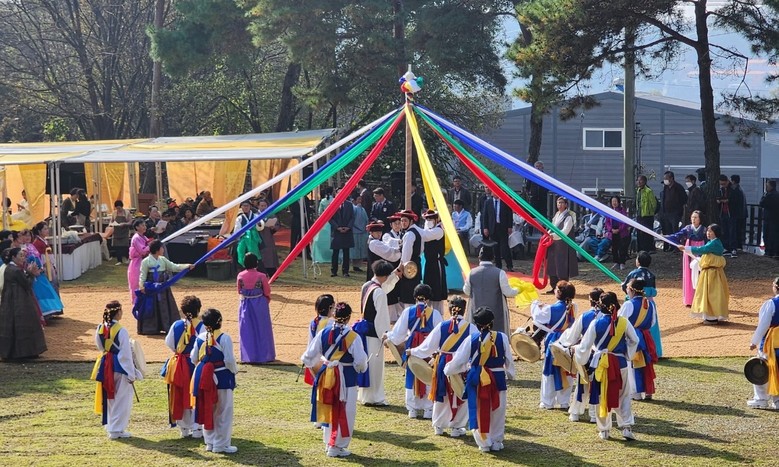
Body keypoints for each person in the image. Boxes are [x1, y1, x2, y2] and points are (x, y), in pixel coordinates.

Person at [444, 306, 516, 452]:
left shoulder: (471, 339)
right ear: (492, 322)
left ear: (476, 324)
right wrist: (510, 374)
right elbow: (509, 360)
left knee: (477, 408)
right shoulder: (502, 337)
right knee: (498, 409)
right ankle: (496, 441)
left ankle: (483, 442)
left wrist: (448, 370)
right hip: (497, 377)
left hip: (476, 377)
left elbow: (459, 361)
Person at [301, 302, 368, 458]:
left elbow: (308, 357)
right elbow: (361, 362)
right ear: (348, 317)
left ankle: (329, 442)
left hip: (327, 376)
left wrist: (320, 368)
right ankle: (336, 445)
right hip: (347, 378)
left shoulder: (323, 333)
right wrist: (360, 369)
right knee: (346, 410)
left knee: (329, 407)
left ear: (334, 315)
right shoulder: (353, 337)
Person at [574, 292, 639, 441]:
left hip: (601, 364)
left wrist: (579, 356)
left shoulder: (595, 323)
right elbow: (634, 340)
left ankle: (604, 430)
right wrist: (627, 354)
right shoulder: (623, 322)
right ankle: (626, 426)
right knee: (623, 396)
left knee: (601, 395)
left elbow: (585, 346)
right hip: (620, 363)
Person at [410, 296, 478, 437]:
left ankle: (438, 426)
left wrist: (412, 351)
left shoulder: (442, 326)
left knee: (442, 393)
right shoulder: (471, 328)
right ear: (464, 310)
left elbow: (427, 347)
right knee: (461, 393)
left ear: (450, 309)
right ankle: (456, 427)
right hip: (461, 365)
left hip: (442, 363)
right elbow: (476, 348)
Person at [387, 284, 443, 419]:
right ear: (428, 298)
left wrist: (388, 336)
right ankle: (428, 409)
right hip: (428, 346)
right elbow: (440, 334)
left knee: (411, 374)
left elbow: (398, 335)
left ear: (415, 297)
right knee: (428, 373)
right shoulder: (435, 314)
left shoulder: (408, 311)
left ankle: (412, 409)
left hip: (412, 346)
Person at [90, 300, 141, 439]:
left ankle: (111, 425)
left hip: (105, 364)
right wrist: (131, 374)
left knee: (109, 397)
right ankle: (116, 429)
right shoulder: (121, 330)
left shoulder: (100, 327)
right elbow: (125, 355)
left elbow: (100, 347)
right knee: (122, 398)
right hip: (119, 366)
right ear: (118, 313)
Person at [190, 308, 238, 454]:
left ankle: (210, 442)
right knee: (224, 411)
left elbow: (194, 358)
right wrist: (234, 372)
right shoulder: (224, 338)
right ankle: (221, 444)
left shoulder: (200, 338)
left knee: (208, 409)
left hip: (204, 378)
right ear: (220, 322)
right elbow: (229, 361)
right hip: (222, 377)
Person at [354, 260, 400, 406]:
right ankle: (374, 397)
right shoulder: (379, 292)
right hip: (374, 333)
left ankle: (365, 395)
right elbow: (381, 318)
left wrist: (395, 277)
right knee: (375, 366)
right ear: (385, 276)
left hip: (364, 331)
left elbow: (384, 289)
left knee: (367, 364)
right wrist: (385, 335)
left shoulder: (367, 286)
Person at [557, 288, 604, 423]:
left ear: (590, 300)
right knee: (598, 385)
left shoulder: (585, 316)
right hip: (602, 356)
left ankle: (575, 413)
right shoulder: (609, 317)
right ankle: (594, 415)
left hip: (586, 354)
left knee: (582, 384)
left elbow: (572, 336)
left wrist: (563, 343)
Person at [162, 296, 205, 438]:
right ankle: (197, 428)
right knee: (196, 394)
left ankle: (184, 428)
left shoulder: (176, 325)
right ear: (198, 310)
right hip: (195, 364)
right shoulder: (202, 326)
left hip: (179, 364)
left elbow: (169, 343)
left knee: (180, 394)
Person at [531, 280, 576, 410]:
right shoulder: (573, 306)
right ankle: (564, 401)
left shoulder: (552, 309)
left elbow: (538, 317)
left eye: (556, 289)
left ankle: (547, 402)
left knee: (549, 370)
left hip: (554, 340)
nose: (555, 290)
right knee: (566, 369)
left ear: (560, 292)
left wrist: (535, 304)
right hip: (568, 339)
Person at [137, 240, 194, 335]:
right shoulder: (145, 261)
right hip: (151, 290)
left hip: (163, 289)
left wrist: (187, 266)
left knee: (165, 306)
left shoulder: (163, 260)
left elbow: (174, 267)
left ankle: (167, 326)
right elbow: (142, 275)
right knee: (151, 308)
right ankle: (151, 328)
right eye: (162, 248)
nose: (163, 249)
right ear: (157, 249)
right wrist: (141, 286)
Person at [0, 247, 47, 359]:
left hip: (11, 300)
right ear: (13, 257)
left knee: (12, 325)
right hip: (19, 300)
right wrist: (31, 273)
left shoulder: (9, 268)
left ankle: (12, 352)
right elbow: (27, 284)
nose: (23, 258)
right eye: (20, 256)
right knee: (24, 323)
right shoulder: (15, 270)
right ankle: (25, 352)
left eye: (24, 256)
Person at [463, 241, 518, 336]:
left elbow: (466, 291)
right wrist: (518, 290)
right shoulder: (500, 273)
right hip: (496, 313)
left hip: (476, 311)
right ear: (493, 258)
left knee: (476, 335)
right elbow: (508, 292)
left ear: (479, 257)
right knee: (497, 336)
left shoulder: (471, 273)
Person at [679, 224, 730, 324]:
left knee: (712, 294)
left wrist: (686, 248)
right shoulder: (713, 242)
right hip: (710, 273)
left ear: (716, 233)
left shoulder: (714, 243)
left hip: (712, 274)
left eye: (710, 231)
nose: (708, 233)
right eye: (708, 231)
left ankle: (712, 317)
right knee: (710, 294)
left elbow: (702, 249)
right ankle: (710, 316)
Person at [619, 279, 658, 401]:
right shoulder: (650, 304)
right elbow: (652, 322)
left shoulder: (628, 304)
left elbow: (620, 321)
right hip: (645, 337)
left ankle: (635, 392)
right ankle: (647, 390)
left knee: (632, 364)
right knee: (645, 363)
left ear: (631, 290)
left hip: (632, 337)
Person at [621, 251, 663, 357]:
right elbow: (653, 290)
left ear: (638, 262)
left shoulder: (633, 274)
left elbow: (625, 288)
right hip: (648, 303)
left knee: (631, 324)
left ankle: (631, 350)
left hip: (635, 302)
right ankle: (654, 351)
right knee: (651, 327)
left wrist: (624, 286)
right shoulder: (651, 275)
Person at [236, 253, 274, 363]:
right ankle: (265, 355)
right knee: (262, 329)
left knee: (247, 329)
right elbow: (267, 291)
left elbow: (239, 291)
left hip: (245, 304)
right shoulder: (261, 276)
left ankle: (248, 356)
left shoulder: (240, 276)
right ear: (256, 263)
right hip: (259, 304)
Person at [747, 278, 779, 409]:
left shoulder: (771, 304)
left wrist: (754, 341)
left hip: (771, 342)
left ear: (776, 287)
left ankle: (761, 399)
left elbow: (763, 325)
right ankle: (777, 401)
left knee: (761, 368)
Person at [666, 211, 707, 307]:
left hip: (700, 250)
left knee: (700, 274)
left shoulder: (704, 230)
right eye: (692, 217)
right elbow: (677, 235)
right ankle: (690, 299)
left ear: (700, 219)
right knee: (689, 273)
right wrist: (667, 237)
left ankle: (700, 299)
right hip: (689, 251)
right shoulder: (688, 228)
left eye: (696, 217)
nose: (693, 219)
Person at [366, 221, 402, 322]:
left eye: (380, 232)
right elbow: (389, 253)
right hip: (378, 273)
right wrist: (400, 250)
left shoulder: (376, 241)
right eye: (376, 232)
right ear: (371, 233)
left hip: (379, 271)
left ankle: (393, 316)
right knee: (387, 292)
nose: (379, 234)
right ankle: (391, 317)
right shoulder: (374, 243)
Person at [24, 225, 64, 317]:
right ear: (39, 231)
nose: (28, 237)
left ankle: (54, 310)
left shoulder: (33, 245)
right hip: (40, 269)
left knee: (51, 287)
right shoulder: (36, 243)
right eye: (44, 229)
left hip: (44, 267)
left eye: (29, 235)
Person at [546, 197, 578, 293]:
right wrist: (547, 234)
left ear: (566, 205)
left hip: (563, 245)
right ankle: (554, 286)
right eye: (558, 203)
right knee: (552, 265)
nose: (559, 204)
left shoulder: (568, 217)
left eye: (562, 203)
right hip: (554, 244)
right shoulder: (556, 215)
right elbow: (552, 227)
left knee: (562, 265)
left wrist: (553, 236)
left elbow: (565, 231)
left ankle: (563, 288)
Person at [304, 294, 335, 387]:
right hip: (325, 359)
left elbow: (310, 341)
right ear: (329, 308)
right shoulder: (331, 323)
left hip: (313, 358)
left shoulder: (313, 322)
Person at [481, 187, 514, 271]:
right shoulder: (488, 202)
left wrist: (510, 226)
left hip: (503, 227)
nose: (495, 194)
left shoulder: (505, 202)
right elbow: (485, 216)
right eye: (493, 192)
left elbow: (509, 214)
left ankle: (509, 265)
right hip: (492, 227)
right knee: (495, 247)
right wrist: (485, 228)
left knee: (504, 247)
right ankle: (498, 265)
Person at [421, 210, 447, 313]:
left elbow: (426, 235)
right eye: (427, 219)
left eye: (431, 219)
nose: (428, 221)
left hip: (436, 263)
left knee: (437, 290)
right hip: (429, 263)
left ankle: (438, 314)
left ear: (436, 220)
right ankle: (427, 313)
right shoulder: (427, 230)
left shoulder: (438, 231)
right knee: (427, 289)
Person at [659, 171, 687, 251]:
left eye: (666, 178)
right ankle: (671, 246)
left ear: (671, 178)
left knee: (675, 230)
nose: (665, 180)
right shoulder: (666, 187)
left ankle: (677, 246)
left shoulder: (678, 187)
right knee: (668, 230)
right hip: (666, 212)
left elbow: (684, 198)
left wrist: (678, 207)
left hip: (675, 212)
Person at [329, 188, 355, 277]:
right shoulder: (332, 204)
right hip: (336, 232)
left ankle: (345, 271)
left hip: (347, 231)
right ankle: (334, 271)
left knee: (346, 252)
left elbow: (352, 217)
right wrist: (337, 227)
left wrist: (348, 227)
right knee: (335, 252)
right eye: (339, 193)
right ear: (336, 194)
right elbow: (330, 218)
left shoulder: (349, 204)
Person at [234, 200, 265, 270]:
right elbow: (237, 230)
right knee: (242, 255)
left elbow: (260, 226)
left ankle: (257, 270)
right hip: (243, 240)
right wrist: (245, 233)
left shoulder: (255, 216)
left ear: (250, 206)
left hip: (254, 240)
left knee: (255, 256)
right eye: (244, 206)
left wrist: (258, 225)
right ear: (241, 207)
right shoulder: (239, 218)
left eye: (247, 206)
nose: (245, 207)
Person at [603, 196, 630, 270]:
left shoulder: (622, 211)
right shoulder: (609, 211)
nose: (614, 203)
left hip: (621, 232)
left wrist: (619, 229)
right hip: (613, 232)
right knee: (614, 248)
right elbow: (607, 222)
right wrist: (611, 229)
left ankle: (622, 263)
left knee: (622, 248)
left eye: (615, 201)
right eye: (613, 201)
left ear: (618, 202)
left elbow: (625, 222)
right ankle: (616, 262)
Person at [128, 219, 151, 304]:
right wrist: (151, 246)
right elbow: (142, 251)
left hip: (144, 261)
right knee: (136, 283)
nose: (145, 227)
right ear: (137, 227)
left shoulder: (143, 237)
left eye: (145, 225)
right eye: (142, 225)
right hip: (137, 263)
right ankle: (136, 302)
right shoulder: (136, 238)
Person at [256, 199, 280, 278]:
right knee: (259, 256)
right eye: (261, 206)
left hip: (268, 237)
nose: (263, 207)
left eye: (265, 206)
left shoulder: (271, 215)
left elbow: (277, 225)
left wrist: (273, 227)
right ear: (258, 206)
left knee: (269, 257)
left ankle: (272, 274)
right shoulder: (255, 216)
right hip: (257, 237)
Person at [635, 175, 657, 253]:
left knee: (647, 233)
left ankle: (648, 249)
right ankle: (640, 249)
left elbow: (653, 203)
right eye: (638, 180)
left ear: (644, 182)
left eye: (640, 180)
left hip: (647, 215)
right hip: (639, 215)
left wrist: (650, 211)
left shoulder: (648, 191)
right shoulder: (638, 191)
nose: (639, 182)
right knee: (639, 233)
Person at [716, 175, 737, 256]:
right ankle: (726, 247)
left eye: (724, 184)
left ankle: (733, 248)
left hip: (731, 213)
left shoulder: (732, 189)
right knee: (724, 230)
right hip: (723, 212)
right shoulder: (721, 190)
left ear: (727, 181)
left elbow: (731, 200)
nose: (723, 185)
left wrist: (723, 200)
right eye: (721, 184)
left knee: (732, 231)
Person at [525, 160, 550, 227]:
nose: (538, 168)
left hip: (542, 199)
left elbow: (548, 187)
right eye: (537, 166)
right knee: (533, 214)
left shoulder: (545, 177)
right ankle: (531, 229)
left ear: (542, 168)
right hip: (534, 198)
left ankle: (543, 229)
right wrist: (530, 194)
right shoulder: (531, 176)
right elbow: (527, 187)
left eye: (539, 166)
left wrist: (544, 192)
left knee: (543, 214)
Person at [760, 180, 779, 258]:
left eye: (767, 186)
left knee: (768, 235)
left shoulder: (769, 195)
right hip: (774, 218)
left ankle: (769, 251)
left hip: (769, 218)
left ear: (771, 186)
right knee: (773, 236)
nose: (766, 187)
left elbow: (762, 203)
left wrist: (764, 195)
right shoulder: (776, 195)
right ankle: (774, 251)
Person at [350, 195, 369, 273]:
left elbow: (366, 219)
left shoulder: (363, 209)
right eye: (358, 199)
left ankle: (357, 265)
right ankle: (352, 265)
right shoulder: (353, 208)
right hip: (355, 232)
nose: (360, 201)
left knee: (360, 250)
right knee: (354, 250)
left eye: (360, 199)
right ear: (354, 200)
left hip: (362, 232)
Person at [110, 201, 132, 265]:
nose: (118, 209)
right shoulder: (114, 213)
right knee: (117, 247)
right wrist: (112, 224)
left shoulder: (127, 213)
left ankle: (128, 258)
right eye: (117, 208)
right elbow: (111, 221)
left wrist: (124, 223)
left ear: (122, 207)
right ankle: (119, 260)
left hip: (124, 232)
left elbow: (130, 222)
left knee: (125, 246)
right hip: (116, 232)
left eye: (119, 208)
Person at [729, 174, 747, 254]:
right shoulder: (740, 189)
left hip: (736, 214)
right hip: (741, 214)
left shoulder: (735, 190)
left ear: (733, 181)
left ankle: (736, 246)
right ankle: (739, 245)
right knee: (739, 231)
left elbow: (733, 202)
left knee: (735, 231)